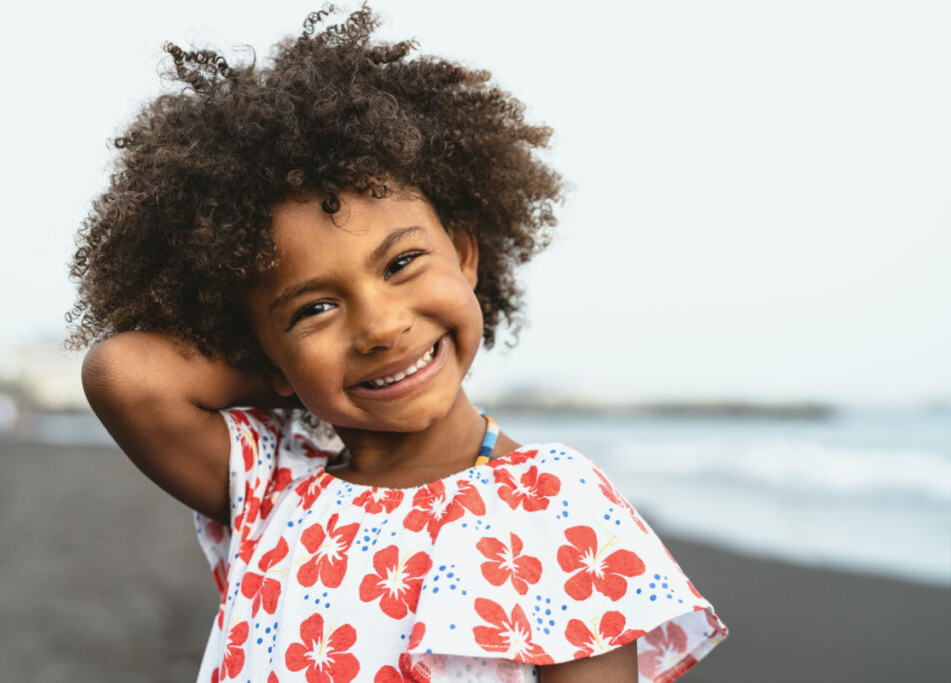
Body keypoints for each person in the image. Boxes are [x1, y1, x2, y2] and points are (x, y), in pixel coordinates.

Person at [70, 5, 727, 682]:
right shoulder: (274, 482)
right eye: (316, 306)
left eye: (401, 263)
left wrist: (308, 351)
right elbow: (125, 374)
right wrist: (293, 364)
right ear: (267, 357)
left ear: (466, 255)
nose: (381, 327)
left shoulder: (556, 505)